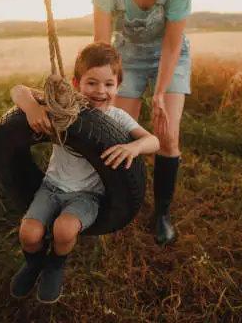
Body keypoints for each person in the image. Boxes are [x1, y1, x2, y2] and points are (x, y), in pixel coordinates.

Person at [9, 41, 160, 304]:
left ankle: (55, 265)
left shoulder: (118, 119)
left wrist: (133, 147)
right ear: (76, 83)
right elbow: (18, 90)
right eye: (91, 83)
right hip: (52, 187)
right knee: (28, 234)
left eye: (108, 84)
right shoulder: (66, 107)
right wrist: (33, 108)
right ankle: (34, 265)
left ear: (118, 86)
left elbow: (154, 142)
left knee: (64, 231)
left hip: (87, 195)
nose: (100, 91)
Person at [92, 0, 192, 246]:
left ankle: (161, 213)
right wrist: (100, 87)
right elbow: (103, 47)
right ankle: (119, 201)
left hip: (170, 56)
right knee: (117, 132)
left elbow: (172, 43)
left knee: (167, 135)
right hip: (127, 58)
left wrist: (160, 93)